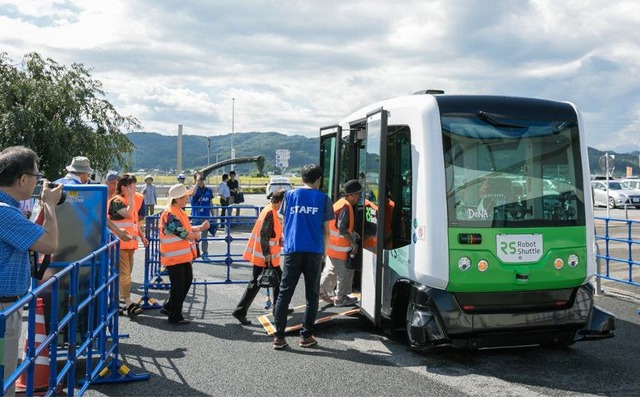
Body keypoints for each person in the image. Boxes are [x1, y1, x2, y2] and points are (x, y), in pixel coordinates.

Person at [0, 146, 62, 396]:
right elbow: (50, 244)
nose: (38, 182)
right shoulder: (5, 213)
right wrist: (50, 206)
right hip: (3, 308)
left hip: (6, 305)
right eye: (37, 176)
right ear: (23, 179)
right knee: (4, 377)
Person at [272, 164, 333, 350]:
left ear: (302, 178)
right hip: (313, 251)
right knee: (312, 296)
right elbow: (326, 231)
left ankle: (279, 337)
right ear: (318, 180)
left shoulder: (289, 196)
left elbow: (282, 219)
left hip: (292, 250)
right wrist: (326, 252)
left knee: (284, 293)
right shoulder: (323, 199)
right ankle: (306, 336)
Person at [232, 189, 286, 325]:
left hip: (267, 256)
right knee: (257, 283)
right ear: (280, 201)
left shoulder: (269, 210)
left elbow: (270, 234)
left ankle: (278, 309)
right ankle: (240, 311)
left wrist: (279, 241)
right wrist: (267, 254)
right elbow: (264, 234)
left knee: (275, 281)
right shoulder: (270, 212)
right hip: (265, 257)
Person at [159, 184, 209, 325]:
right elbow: (181, 232)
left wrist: (198, 228)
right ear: (178, 199)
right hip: (174, 257)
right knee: (179, 285)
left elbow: (184, 229)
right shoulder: (170, 213)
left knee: (184, 283)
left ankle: (170, 307)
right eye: (186, 197)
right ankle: (174, 315)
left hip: (180, 256)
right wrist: (195, 235)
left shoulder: (177, 211)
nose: (187, 199)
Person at [108, 174, 149, 318]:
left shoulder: (128, 201)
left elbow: (134, 223)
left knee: (124, 274)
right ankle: (128, 303)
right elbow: (128, 215)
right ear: (124, 188)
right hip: (119, 245)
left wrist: (142, 236)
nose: (135, 189)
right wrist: (131, 197)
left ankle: (116, 302)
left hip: (129, 244)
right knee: (124, 275)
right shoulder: (117, 201)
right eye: (132, 186)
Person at [320, 179, 362, 307]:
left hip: (332, 246)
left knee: (332, 270)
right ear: (350, 195)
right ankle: (341, 298)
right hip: (341, 247)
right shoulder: (345, 206)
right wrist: (353, 243)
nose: (359, 197)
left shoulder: (338, 203)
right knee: (345, 272)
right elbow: (342, 228)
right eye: (358, 194)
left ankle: (321, 290)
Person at [190, 173, 217, 258]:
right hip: (196, 216)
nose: (201, 180)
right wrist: (197, 183)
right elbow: (193, 194)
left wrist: (213, 215)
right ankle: (194, 253)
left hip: (205, 216)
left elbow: (210, 203)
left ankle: (205, 253)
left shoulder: (208, 190)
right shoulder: (193, 189)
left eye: (202, 179)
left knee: (204, 236)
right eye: (199, 179)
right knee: (194, 236)